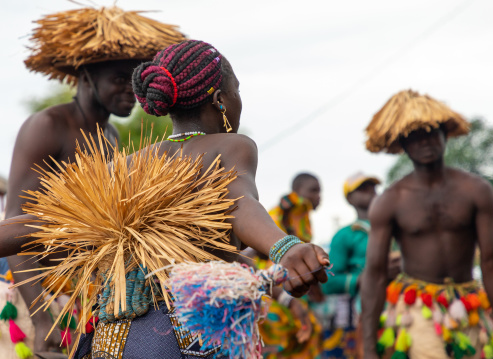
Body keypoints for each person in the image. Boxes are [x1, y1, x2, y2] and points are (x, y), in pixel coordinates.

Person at [1, 40, 330, 359]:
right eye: (237, 90)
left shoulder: (128, 164)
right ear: (220, 100)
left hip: (109, 339)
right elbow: (238, 202)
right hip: (179, 337)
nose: (239, 99)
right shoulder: (232, 147)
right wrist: (284, 246)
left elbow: (42, 223)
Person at [3, 6, 186, 355]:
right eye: (119, 78)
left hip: (81, 300)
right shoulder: (48, 126)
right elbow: (14, 223)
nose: (131, 90)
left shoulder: (112, 136)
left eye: (135, 79)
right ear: (87, 76)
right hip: (32, 301)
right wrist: (42, 319)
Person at [361, 89, 493, 359]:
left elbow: (491, 263)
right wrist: (369, 348)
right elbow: (375, 272)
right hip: (417, 306)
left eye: (431, 131)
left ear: (445, 134)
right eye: (414, 136)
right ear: (402, 144)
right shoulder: (391, 201)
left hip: (470, 303)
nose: (425, 142)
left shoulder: (476, 190)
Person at [244, 173, 323, 358]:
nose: (318, 196)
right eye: (314, 190)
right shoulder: (294, 208)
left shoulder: (300, 216)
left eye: (320, 191)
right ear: (298, 191)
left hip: (281, 289)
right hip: (274, 288)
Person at [321, 172, 381, 359]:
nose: (370, 192)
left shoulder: (396, 228)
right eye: (362, 188)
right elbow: (328, 282)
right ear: (349, 198)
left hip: (401, 306)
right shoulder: (345, 235)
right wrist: (362, 280)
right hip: (362, 312)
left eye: (372, 187)